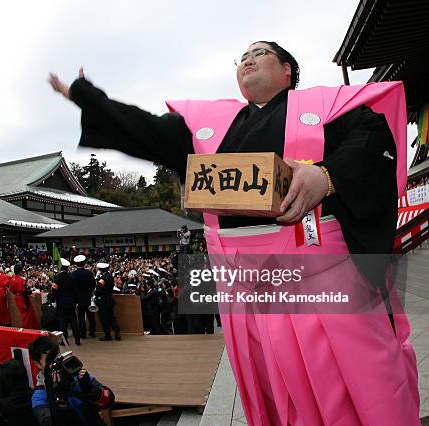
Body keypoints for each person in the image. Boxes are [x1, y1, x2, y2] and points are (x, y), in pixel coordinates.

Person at [48, 41, 419, 424]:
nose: (248, 61)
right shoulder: (210, 128)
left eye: (259, 54)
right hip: (246, 294)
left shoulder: (329, 108)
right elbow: (145, 130)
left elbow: (370, 143)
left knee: (352, 391)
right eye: (242, 58)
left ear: (288, 70)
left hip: (320, 280)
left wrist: (325, 176)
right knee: (277, 398)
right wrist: (86, 96)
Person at [28, 336, 114, 426]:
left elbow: (109, 401)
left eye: (56, 357)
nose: (55, 364)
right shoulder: (39, 398)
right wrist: (60, 400)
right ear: (37, 364)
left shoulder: (75, 375)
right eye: (49, 360)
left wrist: (92, 391)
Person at [51, 259, 81, 345]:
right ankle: (77, 339)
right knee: (74, 321)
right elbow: (76, 291)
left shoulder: (57, 277)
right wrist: (76, 301)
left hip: (61, 303)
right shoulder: (72, 277)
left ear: (60, 267)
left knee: (63, 322)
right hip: (71, 303)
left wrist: (53, 300)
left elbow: (54, 290)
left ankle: (64, 341)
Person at [93, 263, 121, 341]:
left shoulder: (103, 278)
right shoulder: (110, 276)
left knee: (104, 318)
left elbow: (98, 290)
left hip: (103, 301)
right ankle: (117, 330)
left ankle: (107, 335)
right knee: (111, 317)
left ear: (101, 270)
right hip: (109, 300)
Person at [72, 255, 96, 339]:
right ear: (84, 263)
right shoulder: (89, 273)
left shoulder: (73, 274)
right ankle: (92, 332)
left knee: (81, 316)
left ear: (76, 264)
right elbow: (93, 285)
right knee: (91, 315)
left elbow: (73, 287)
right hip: (88, 298)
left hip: (79, 299)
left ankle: (83, 333)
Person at [9, 263, 40, 329]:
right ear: (20, 271)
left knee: (24, 314)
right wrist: (31, 291)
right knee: (27, 315)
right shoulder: (21, 280)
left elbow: (11, 290)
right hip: (23, 299)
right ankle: (27, 329)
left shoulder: (12, 279)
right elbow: (24, 291)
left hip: (17, 298)